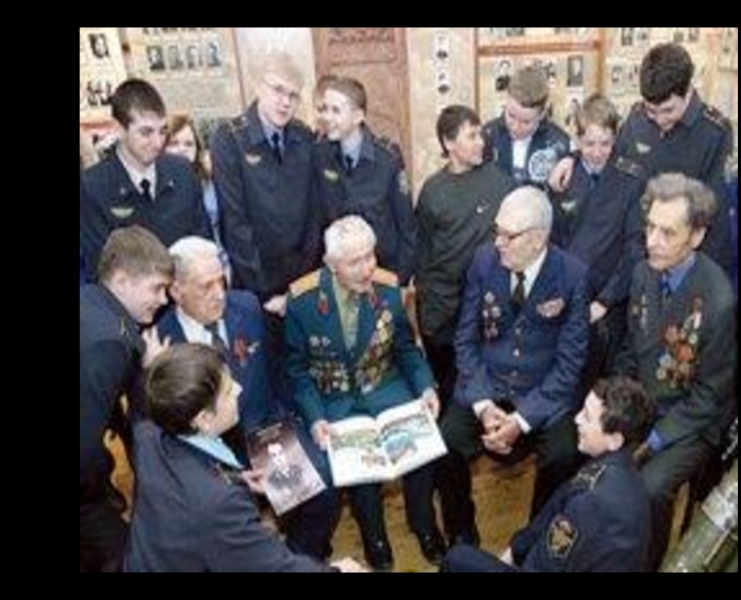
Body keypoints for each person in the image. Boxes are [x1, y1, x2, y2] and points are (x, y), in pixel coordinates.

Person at [157, 236, 338, 558]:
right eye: (206, 286)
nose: (219, 294)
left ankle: (299, 556)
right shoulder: (161, 343)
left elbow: (277, 368)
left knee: (321, 486)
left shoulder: (247, 306)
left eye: (221, 281)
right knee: (229, 526)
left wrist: (297, 421)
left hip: (263, 429)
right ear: (176, 291)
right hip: (209, 453)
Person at [285, 216, 446, 570]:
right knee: (360, 470)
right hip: (336, 400)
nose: (367, 268)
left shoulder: (388, 288)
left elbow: (405, 349)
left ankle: (424, 525)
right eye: (354, 262)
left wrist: (425, 386)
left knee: (422, 450)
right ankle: (375, 538)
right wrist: (315, 418)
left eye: (370, 256)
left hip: (387, 386)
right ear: (331, 264)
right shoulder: (303, 301)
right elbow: (297, 371)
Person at [124, 344, 366, 572]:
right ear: (204, 419)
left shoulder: (148, 435)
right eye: (228, 391)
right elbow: (274, 568)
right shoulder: (219, 505)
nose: (239, 389)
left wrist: (235, 478)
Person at [437, 186, 589, 545]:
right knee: (445, 442)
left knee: (563, 455)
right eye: (497, 231)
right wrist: (483, 404)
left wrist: (521, 421)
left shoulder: (572, 275)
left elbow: (570, 364)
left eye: (508, 235)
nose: (498, 242)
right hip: (487, 383)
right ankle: (460, 531)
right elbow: (466, 339)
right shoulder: (483, 261)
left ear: (538, 239)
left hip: (542, 393)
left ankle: (535, 539)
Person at [612, 172, 736, 569]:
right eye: (650, 227)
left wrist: (654, 440)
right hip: (646, 400)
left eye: (667, 233)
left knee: (649, 488)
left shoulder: (718, 302)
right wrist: (612, 403)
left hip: (691, 420)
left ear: (696, 236)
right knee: (597, 458)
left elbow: (710, 398)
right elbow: (631, 349)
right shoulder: (643, 272)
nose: (652, 241)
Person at [550, 43, 734, 275]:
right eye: (652, 111)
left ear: (688, 91)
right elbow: (609, 156)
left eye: (668, 111)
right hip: (631, 251)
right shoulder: (637, 117)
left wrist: (701, 279)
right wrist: (572, 158)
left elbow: (715, 217)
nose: (659, 120)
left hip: (677, 253)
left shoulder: (714, 132)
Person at [442, 376, 656, 572]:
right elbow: (558, 502)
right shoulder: (625, 473)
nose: (577, 419)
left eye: (587, 417)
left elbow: (541, 567)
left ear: (614, 440)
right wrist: (514, 551)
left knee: (456, 558)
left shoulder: (589, 502)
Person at [415, 105, 515, 506]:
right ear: (448, 143)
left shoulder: (500, 182)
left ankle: (470, 453)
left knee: (476, 387)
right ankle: (445, 470)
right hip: (441, 308)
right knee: (446, 392)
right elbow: (423, 253)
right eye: (471, 135)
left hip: (485, 310)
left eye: (480, 133)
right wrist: (427, 306)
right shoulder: (433, 191)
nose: (480, 141)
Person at [211, 51, 322, 398]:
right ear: (258, 86)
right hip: (255, 287)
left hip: (301, 282)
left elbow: (314, 213)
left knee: (304, 370)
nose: (285, 102)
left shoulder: (304, 137)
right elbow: (235, 223)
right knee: (262, 376)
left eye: (293, 95)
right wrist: (265, 293)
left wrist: (300, 286)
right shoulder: (229, 138)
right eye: (278, 90)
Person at [80, 226, 174, 572]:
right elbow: (85, 447)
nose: (163, 299)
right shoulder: (110, 343)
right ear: (121, 281)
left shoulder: (91, 301)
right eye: (156, 288)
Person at [549, 94, 646, 395]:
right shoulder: (562, 176)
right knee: (569, 374)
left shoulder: (632, 178)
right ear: (577, 139)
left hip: (612, 298)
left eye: (605, 143)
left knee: (607, 379)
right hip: (570, 293)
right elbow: (554, 239)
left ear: (615, 138)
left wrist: (605, 301)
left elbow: (634, 248)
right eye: (589, 143)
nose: (597, 152)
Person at [80, 78, 210, 281]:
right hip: (129, 299)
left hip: (186, 293)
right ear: (118, 129)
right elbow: (99, 270)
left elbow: (203, 244)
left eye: (162, 131)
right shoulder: (92, 187)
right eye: (146, 132)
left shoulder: (182, 172)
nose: (157, 142)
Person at [314, 76, 416, 284]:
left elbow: (407, 227)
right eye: (325, 109)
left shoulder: (387, 158)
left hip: (383, 272)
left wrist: (400, 280)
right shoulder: (320, 154)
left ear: (358, 116)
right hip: (340, 276)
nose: (327, 117)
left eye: (336, 110)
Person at [483, 65, 570, 189]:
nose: (516, 126)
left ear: (542, 114)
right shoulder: (487, 135)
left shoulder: (559, 142)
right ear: (506, 101)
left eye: (526, 122)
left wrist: (572, 160)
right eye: (511, 115)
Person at [164, 114, 230, 278]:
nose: (182, 149)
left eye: (189, 144)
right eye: (174, 143)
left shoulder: (209, 180)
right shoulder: (158, 187)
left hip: (216, 264)